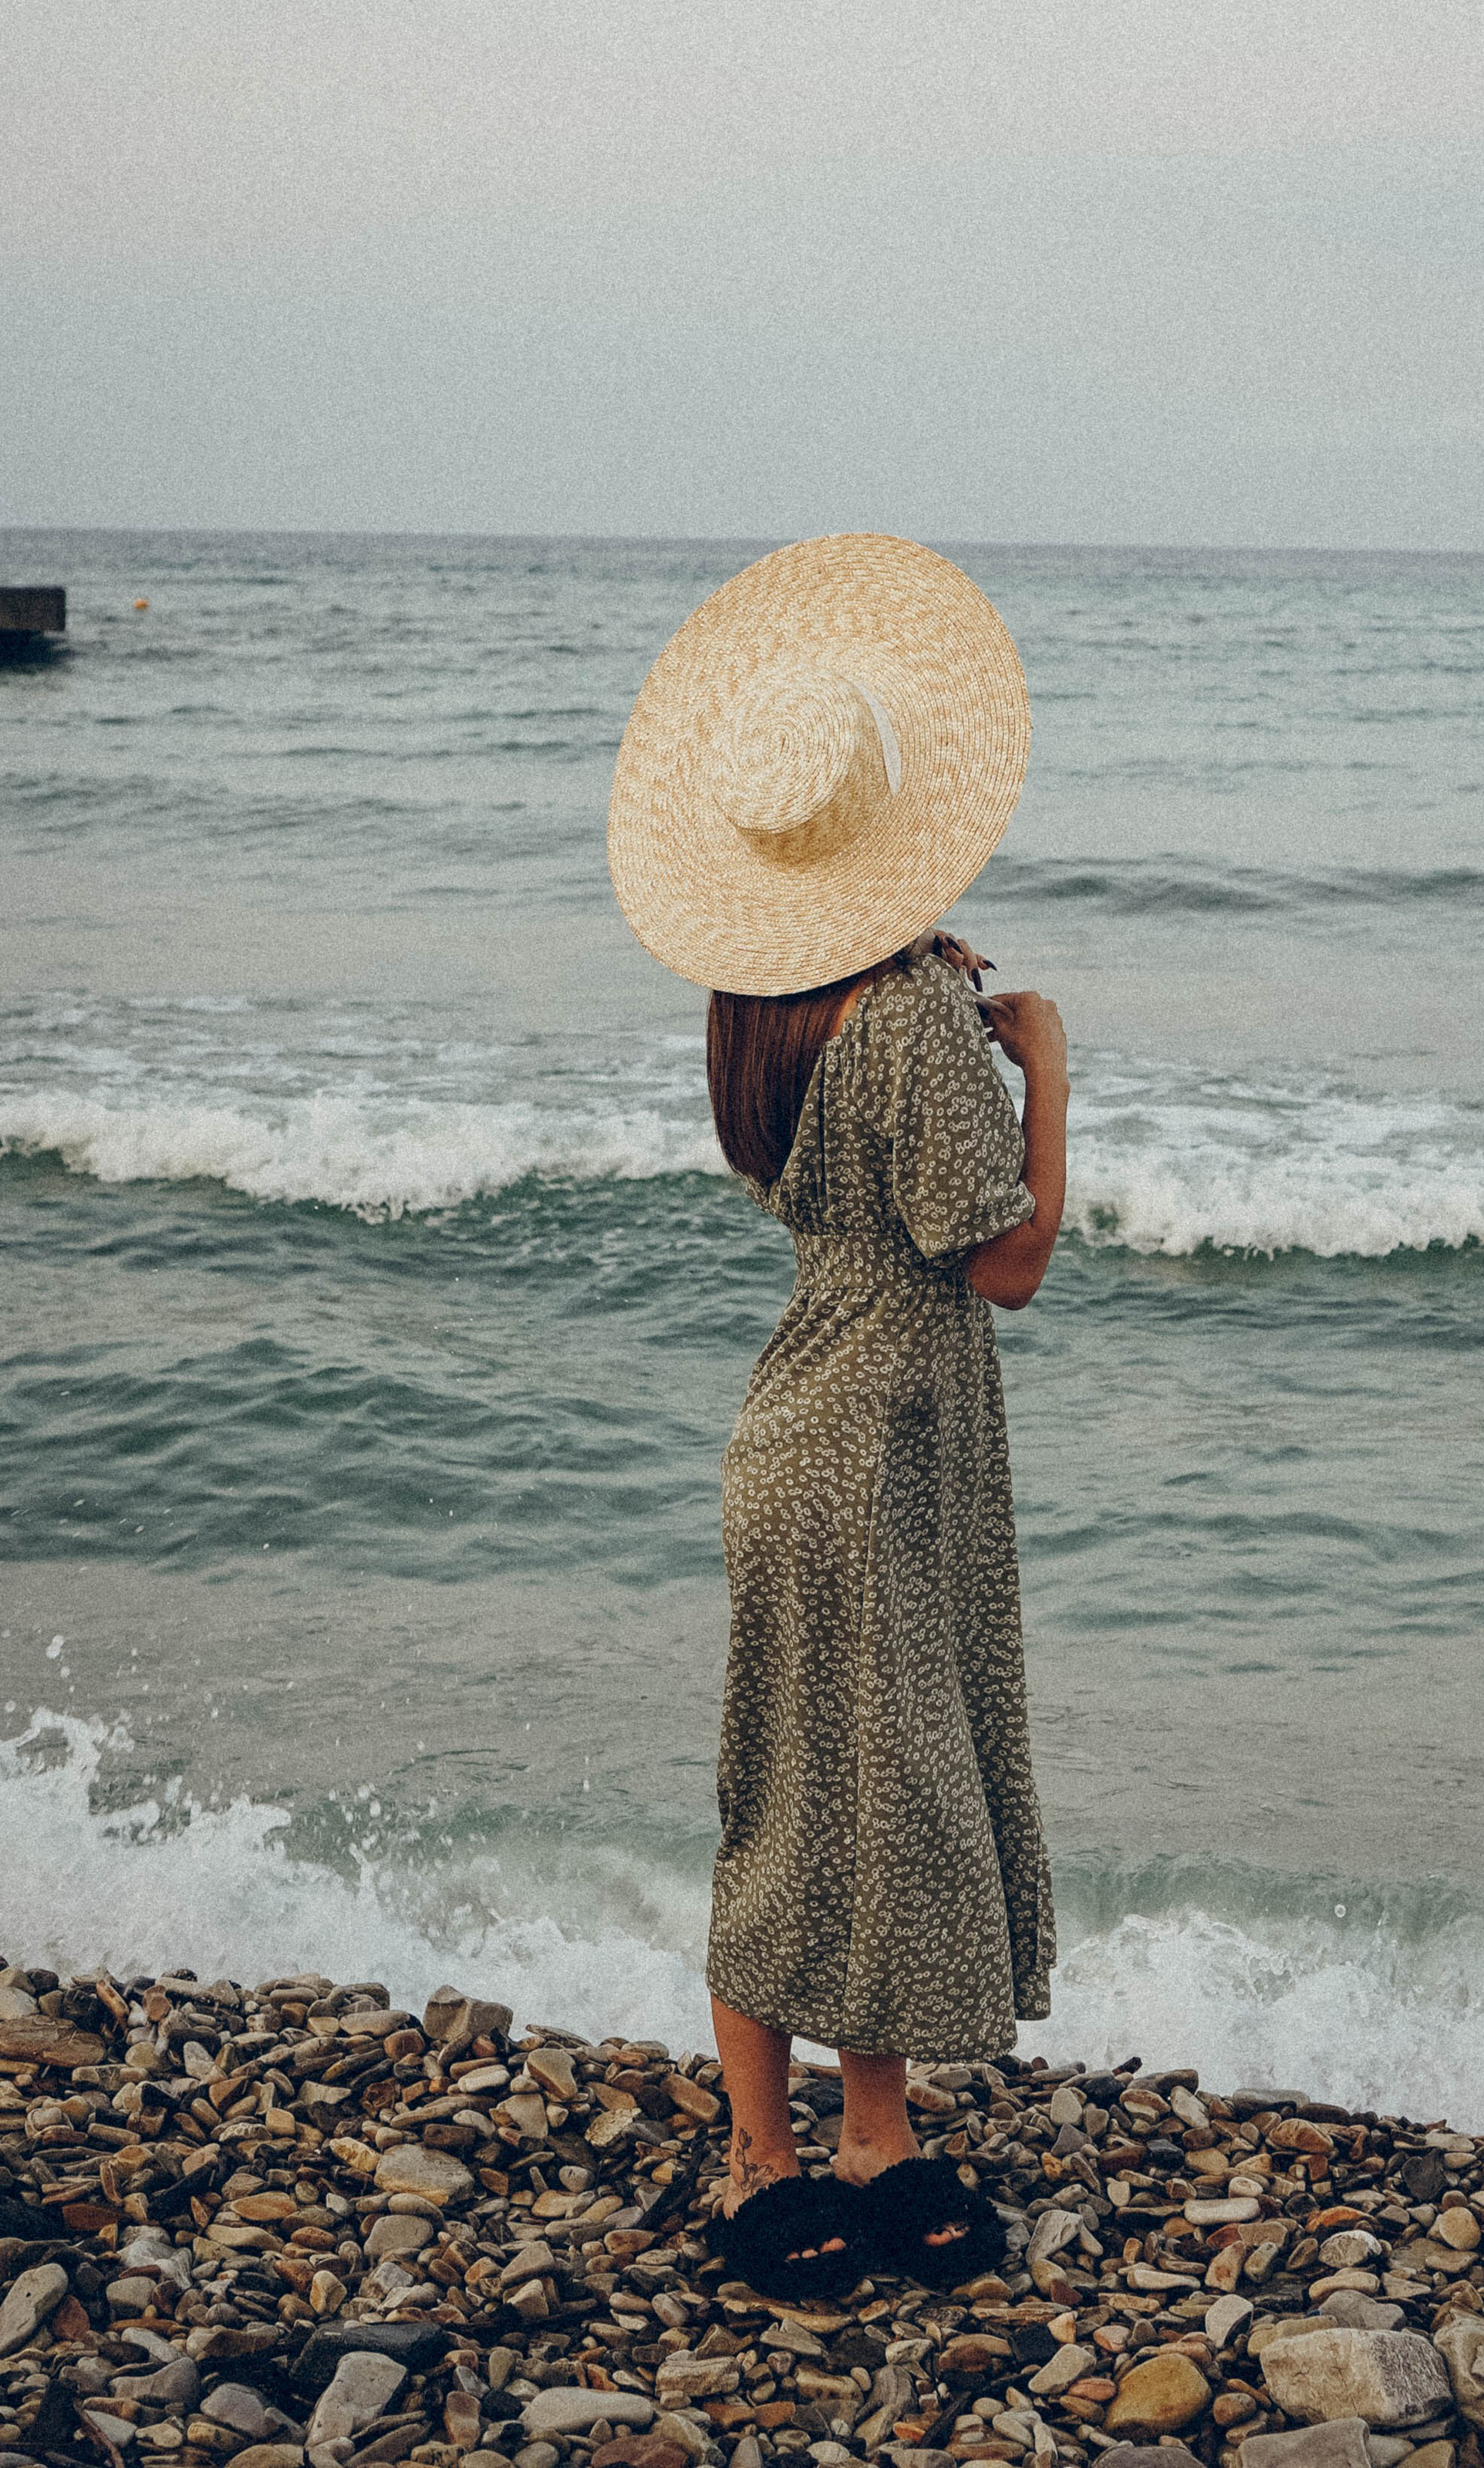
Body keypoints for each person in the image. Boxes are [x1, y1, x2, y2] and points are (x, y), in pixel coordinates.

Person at [607, 535, 1069, 2297]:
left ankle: (818, 2144)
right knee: (871, 1801)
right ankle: (778, 2152)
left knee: (805, 1799)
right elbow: (1006, 1264)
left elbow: (856, 1211)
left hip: (799, 1433)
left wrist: (949, 1009)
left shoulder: (761, 1011)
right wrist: (1044, 1062)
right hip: (879, 1454)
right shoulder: (923, 1028)